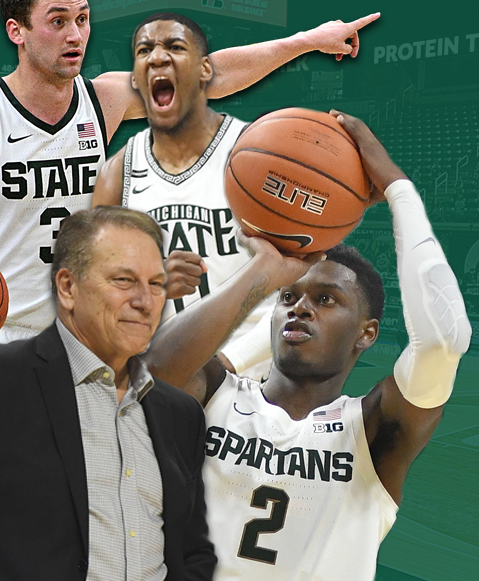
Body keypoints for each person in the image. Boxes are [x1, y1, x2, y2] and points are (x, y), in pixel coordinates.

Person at [0, 0, 378, 362]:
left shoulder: (106, 99)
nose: (76, 35)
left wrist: (306, 41)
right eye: (57, 22)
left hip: (72, 347)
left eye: (82, 18)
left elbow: (212, 74)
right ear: (17, 31)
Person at [144, 112, 471, 581]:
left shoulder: (371, 434)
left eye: (326, 300)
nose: (299, 308)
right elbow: (153, 372)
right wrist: (263, 273)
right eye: (289, 298)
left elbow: (444, 339)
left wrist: (398, 189)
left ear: (367, 333)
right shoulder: (216, 396)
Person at [0, 207, 215, 581]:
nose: (145, 302)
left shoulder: (180, 414)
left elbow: (190, 550)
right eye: (123, 280)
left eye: (156, 284)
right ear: (67, 287)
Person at [93, 13, 378, 376]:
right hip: (137, 359)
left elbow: (213, 74)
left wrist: (308, 39)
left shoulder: (262, 158)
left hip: (231, 374)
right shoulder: (117, 168)